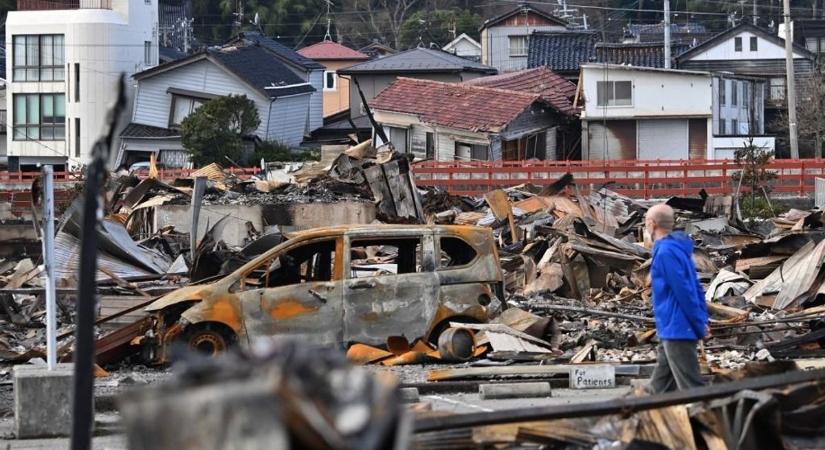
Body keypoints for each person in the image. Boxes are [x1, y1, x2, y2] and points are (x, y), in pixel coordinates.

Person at [646, 204, 709, 393]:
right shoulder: (677, 249)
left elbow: (685, 292)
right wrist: (702, 319)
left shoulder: (666, 253)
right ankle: (640, 420)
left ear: (652, 224)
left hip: (677, 329)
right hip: (671, 330)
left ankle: (709, 421)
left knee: (692, 390)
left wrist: (698, 324)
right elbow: (696, 287)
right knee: (658, 389)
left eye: (646, 222)